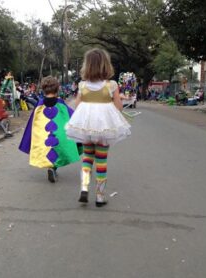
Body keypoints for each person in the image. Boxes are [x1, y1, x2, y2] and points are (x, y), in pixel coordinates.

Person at [65, 48, 131, 207]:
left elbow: (77, 105)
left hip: (87, 128)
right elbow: (119, 107)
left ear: (86, 66)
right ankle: (100, 196)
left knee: (87, 158)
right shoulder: (111, 85)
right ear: (105, 65)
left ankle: (84, 188)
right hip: (104, 129)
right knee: (101, 160)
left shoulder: (82, 85)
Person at [19, 76, 82, 183]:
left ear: (43, 89)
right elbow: (71, 116)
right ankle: (53, 168)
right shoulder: (60, 103)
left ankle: (51, 168)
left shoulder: (39, 105)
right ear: (57, 89)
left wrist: (30, 138)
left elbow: (32, 123)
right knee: (57, 151)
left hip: (44, 136)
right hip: (59, 136)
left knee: (49, 151)